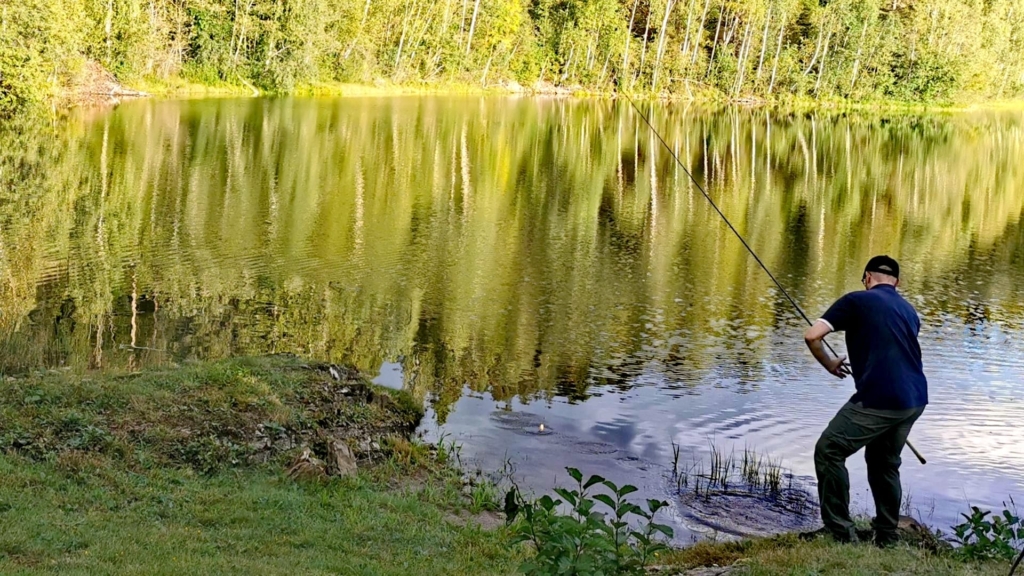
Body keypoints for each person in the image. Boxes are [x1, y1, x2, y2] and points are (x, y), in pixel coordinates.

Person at [802, 255, 928, 547]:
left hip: (880, 399)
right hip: (914, 399)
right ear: (896, 282)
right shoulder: (909, 311)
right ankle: (886, 535)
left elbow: (812, 336)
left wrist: (830, 363)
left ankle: (839, 531)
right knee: (884, 463)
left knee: (829, 450)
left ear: (867, 278)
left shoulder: (856, 300)